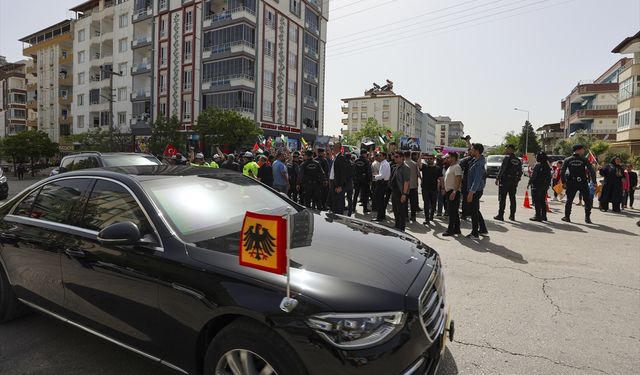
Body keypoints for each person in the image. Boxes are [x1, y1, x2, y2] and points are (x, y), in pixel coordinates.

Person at [561, 145, 596, 223]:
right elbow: (591, 171)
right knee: (587, 200)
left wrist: (564, 182)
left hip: (571, 182)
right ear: (579, 150)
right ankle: (587, 218)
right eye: (582, 149)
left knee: (569, 200)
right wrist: (594, 181)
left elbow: (562, 172)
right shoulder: (584, 159)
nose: (583, 151)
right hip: (583, 182)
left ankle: (567, 217)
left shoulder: (567, 159)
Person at [494, 144, 523, 221]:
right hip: (513, 181)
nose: (505, 150)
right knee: (512, 198)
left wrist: (497, 178)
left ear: (510, 149)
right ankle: (512, 215)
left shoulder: (506, 158)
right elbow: (520, 172)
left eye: (506, 149)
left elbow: (502, 169)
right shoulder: (518, 160)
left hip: (505, 180)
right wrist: (517, 180)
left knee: (502, 198)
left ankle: (500, 215)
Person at [466, 143, 488, 239]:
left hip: (475, 191)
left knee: (473, 212)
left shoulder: (479, 164)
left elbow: (477, 179)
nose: (471, 151)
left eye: (472, 150)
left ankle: (475, 233)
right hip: (475, 190)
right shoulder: (476, 160)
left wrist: (471, 192)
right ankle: (483, 229)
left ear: (477, 151)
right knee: (475, 210)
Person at [441, 152, 463, 236]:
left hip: (454, 192)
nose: (447, 159)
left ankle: (450, 230)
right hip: (449, 191)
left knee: (451, 212)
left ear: (454, 158)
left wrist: (454, 191)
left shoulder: (457, 167)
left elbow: (458, 180)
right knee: (454, 211)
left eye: (449, 157)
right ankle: (457, 229)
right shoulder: (451, 167)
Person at [528, 152, 552, 221]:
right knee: (542, 201)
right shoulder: (547, 166)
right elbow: (549, 177)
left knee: (537, 201)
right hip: (544, 186)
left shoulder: (538, 165)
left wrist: (530, 182)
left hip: (537, 185)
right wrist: (547, 185)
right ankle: (544, 216)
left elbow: (533, 175)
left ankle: (537, 215)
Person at [390, 151, 411, 231]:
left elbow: (406, 181)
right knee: (395, 210)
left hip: (401, 192)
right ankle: (397, 225)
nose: (395, 158)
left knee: (401, 211)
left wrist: (404, 194)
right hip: (394, 192)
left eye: (397, 156)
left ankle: (401, 228)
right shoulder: (396, 167)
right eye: (394, 156)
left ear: (402, 158)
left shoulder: (405, 168)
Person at [328, 142, 348, 215]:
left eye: (336, 147)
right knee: (334, 204)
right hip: (334, 183)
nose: (334, 148)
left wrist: (340, 186)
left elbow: (343, 173)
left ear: (340, 148)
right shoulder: (336, 157)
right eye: (334, 147)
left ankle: (339, 220)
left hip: (338, 185)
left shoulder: (341, 158)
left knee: (338, 205)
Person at [420, 156, 441, 224]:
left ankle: (431, 216)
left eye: (431, 159)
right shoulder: (424, 167)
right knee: (426, 204)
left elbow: (441, 178)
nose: (429, 160)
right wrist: (421, 156)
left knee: (433, 204)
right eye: (428, 159)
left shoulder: (438, 168)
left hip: (434, 189)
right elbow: (418, 164)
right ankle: (427, 219)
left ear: (434, 159)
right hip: (425, 189)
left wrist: (442, 188)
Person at [372, 152, 391, 222]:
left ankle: (380, 217)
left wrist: (375, 176)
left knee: (379, 201)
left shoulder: (384, 164)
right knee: (381, 201)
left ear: (384, 156)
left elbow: (382, 175)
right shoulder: (384, 163)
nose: (379, 157)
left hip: (382, 183)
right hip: (383, 183)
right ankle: (381, 216)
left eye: (380, 155)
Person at [404, 151, 420, 222]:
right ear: (410, 155)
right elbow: (418, 174)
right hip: (413, 186)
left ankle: (406, 216)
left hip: (405, 186)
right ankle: (413, 216)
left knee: (405, 202)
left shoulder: (403, 164)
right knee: (413, 203)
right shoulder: (414, 164)